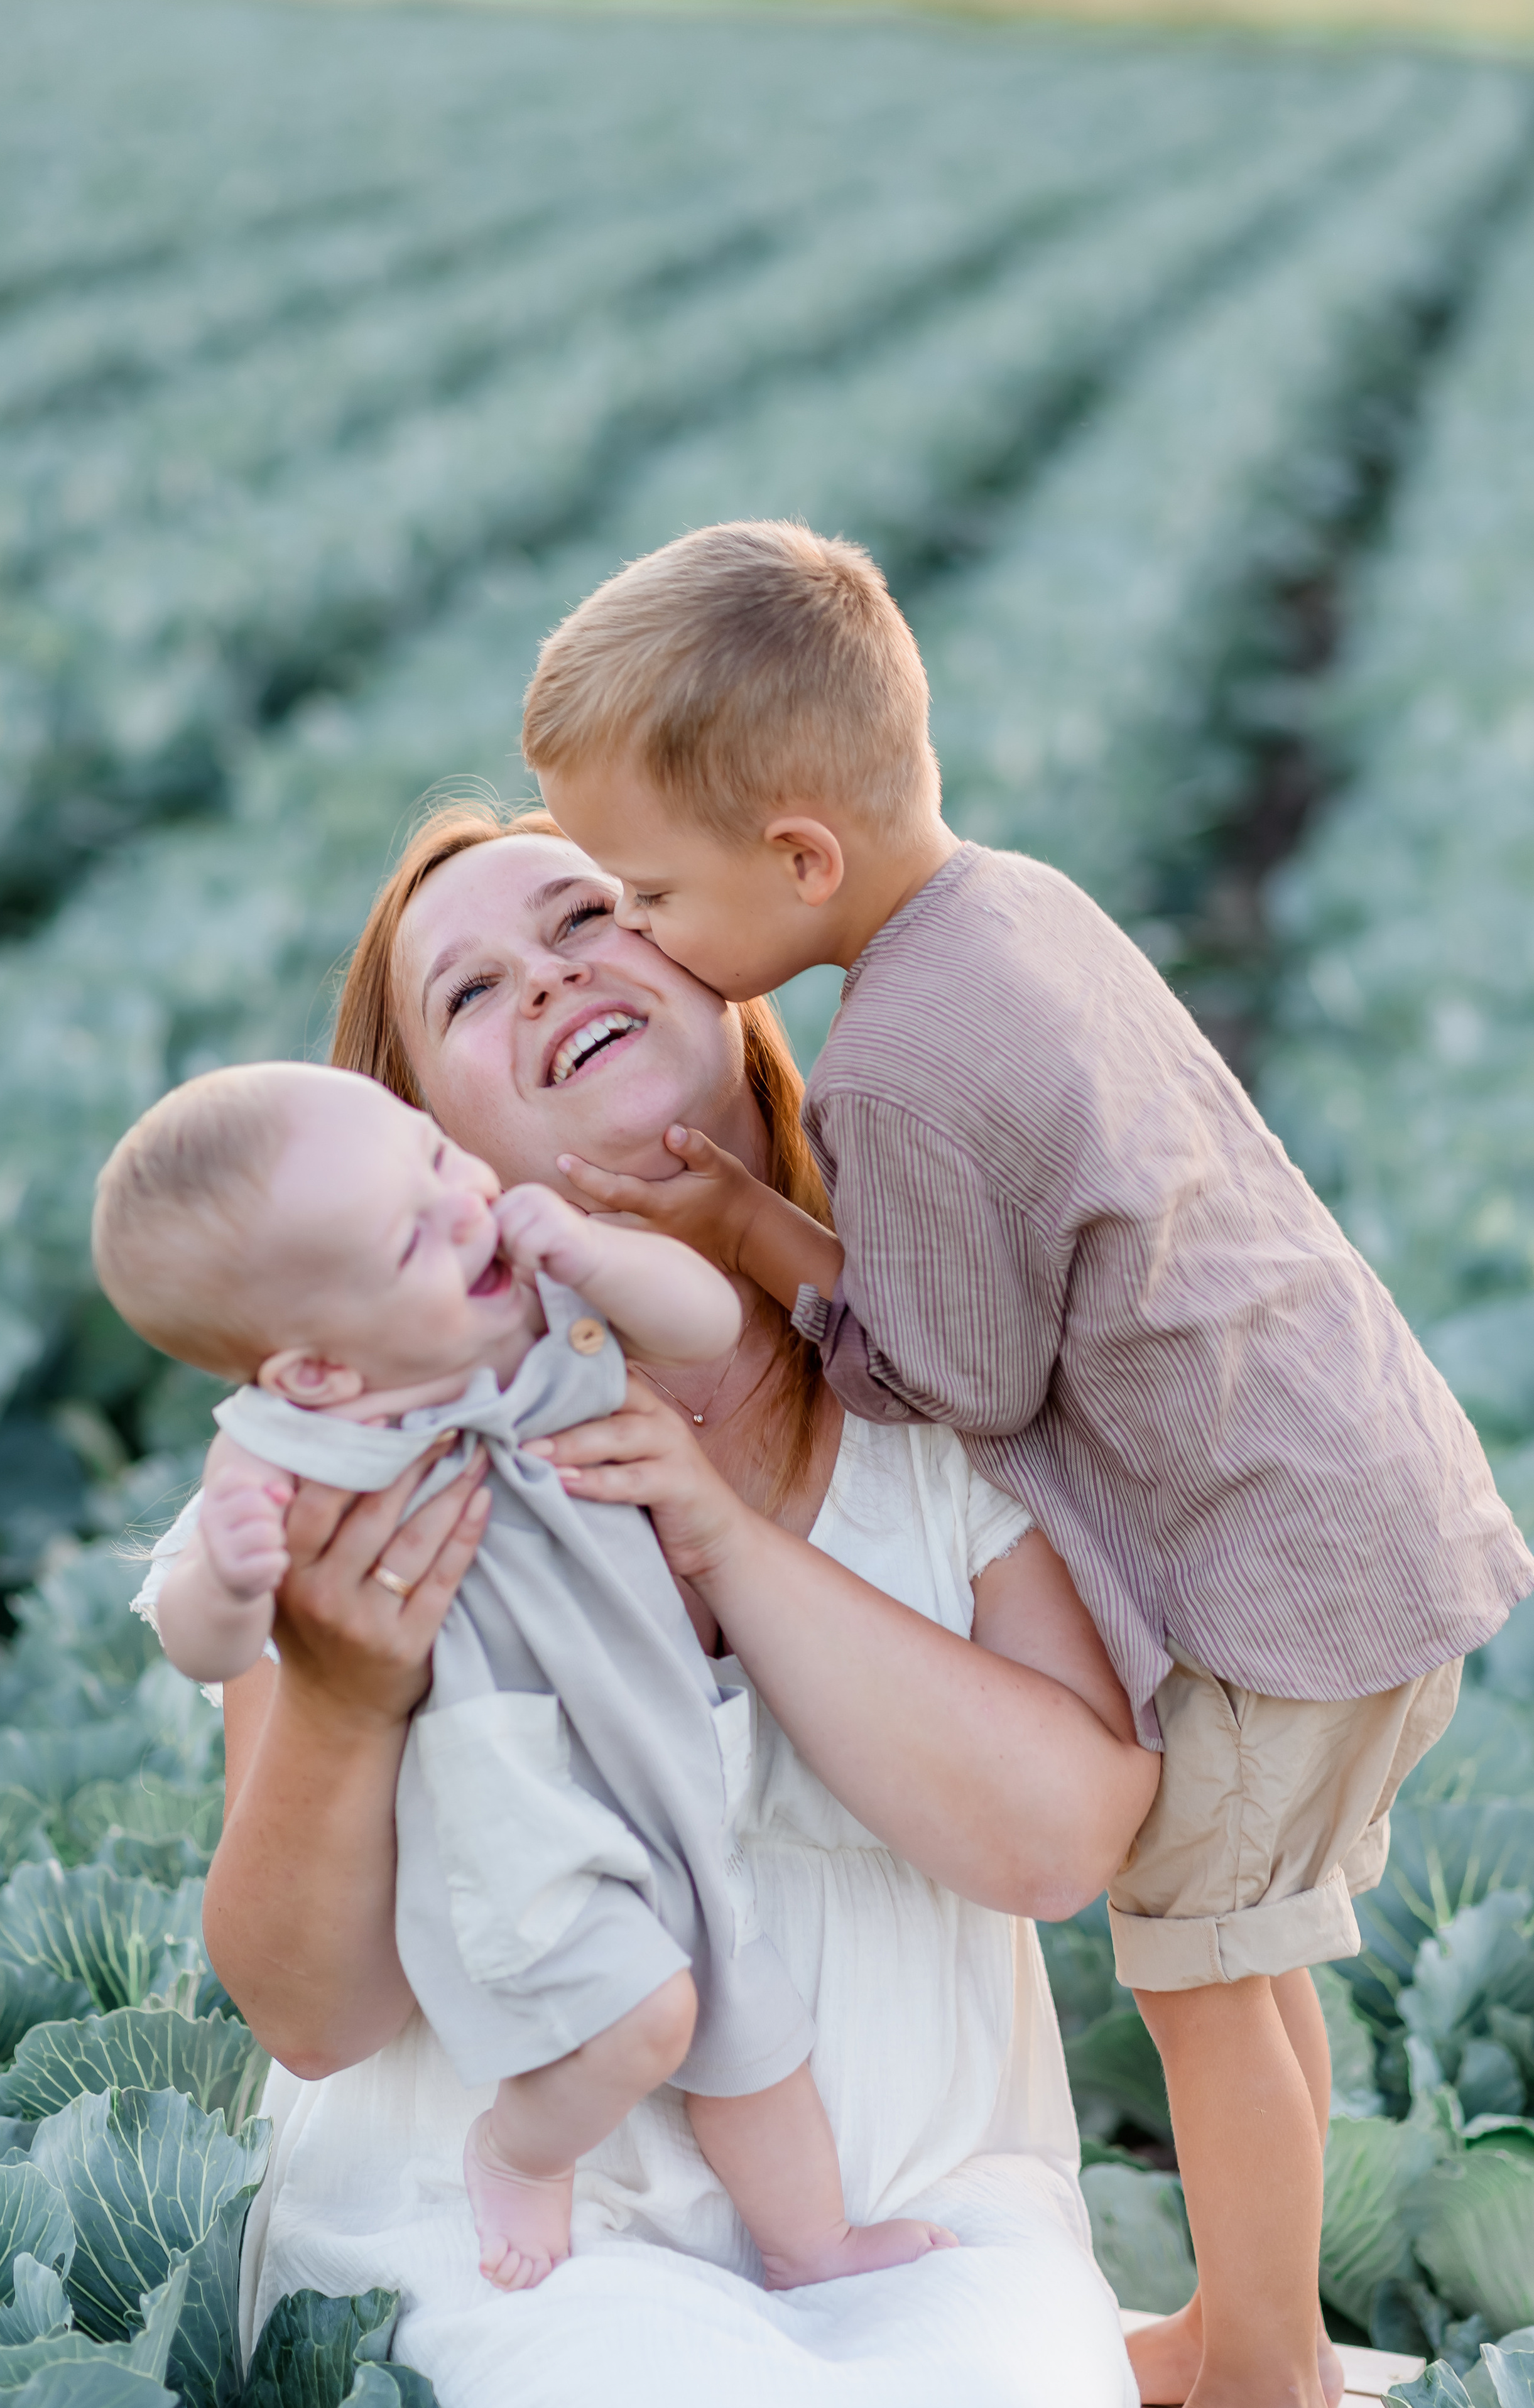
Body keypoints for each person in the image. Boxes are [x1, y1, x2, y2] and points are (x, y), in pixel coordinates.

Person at [522, 519, 1534, 2408]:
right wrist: (763, 1218)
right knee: (1259, 1962)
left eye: (649, 895)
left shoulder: (890, 1071)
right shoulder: (1015, 906)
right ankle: (1252, 2325)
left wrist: (755, 1246)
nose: (637, 939)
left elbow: (951, 1375)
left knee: (1197, 1987)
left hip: (1261, 1581)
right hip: (1363, 1511)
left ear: (799, 860)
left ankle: (1266, 2373)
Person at [185, 805, 1155, 2407]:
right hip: (490, 2241)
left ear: (717, 966)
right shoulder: (368, 1462)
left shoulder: (945, 1369)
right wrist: (347, 1705)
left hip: (915, 2229)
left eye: (586, 918)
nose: (547, 979)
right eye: (469, 991)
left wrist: (713, 1535)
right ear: (420, 1142)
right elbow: (309, 2017)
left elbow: (1055, 1844)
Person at [98, 1060, 955, 2292]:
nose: (464, 1206)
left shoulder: (547, 1301)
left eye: (435, 1157)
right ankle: (520, 2149)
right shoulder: (294, 1450)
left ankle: (809, 2244)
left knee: (749, 2025)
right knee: (642, 2017)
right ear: (315, 1371)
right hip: (506, 1784)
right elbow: (206, 1644)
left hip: (654, 1739)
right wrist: (230, 1578)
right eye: (412, 1236)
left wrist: (597, 1255)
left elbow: (703, 1321)